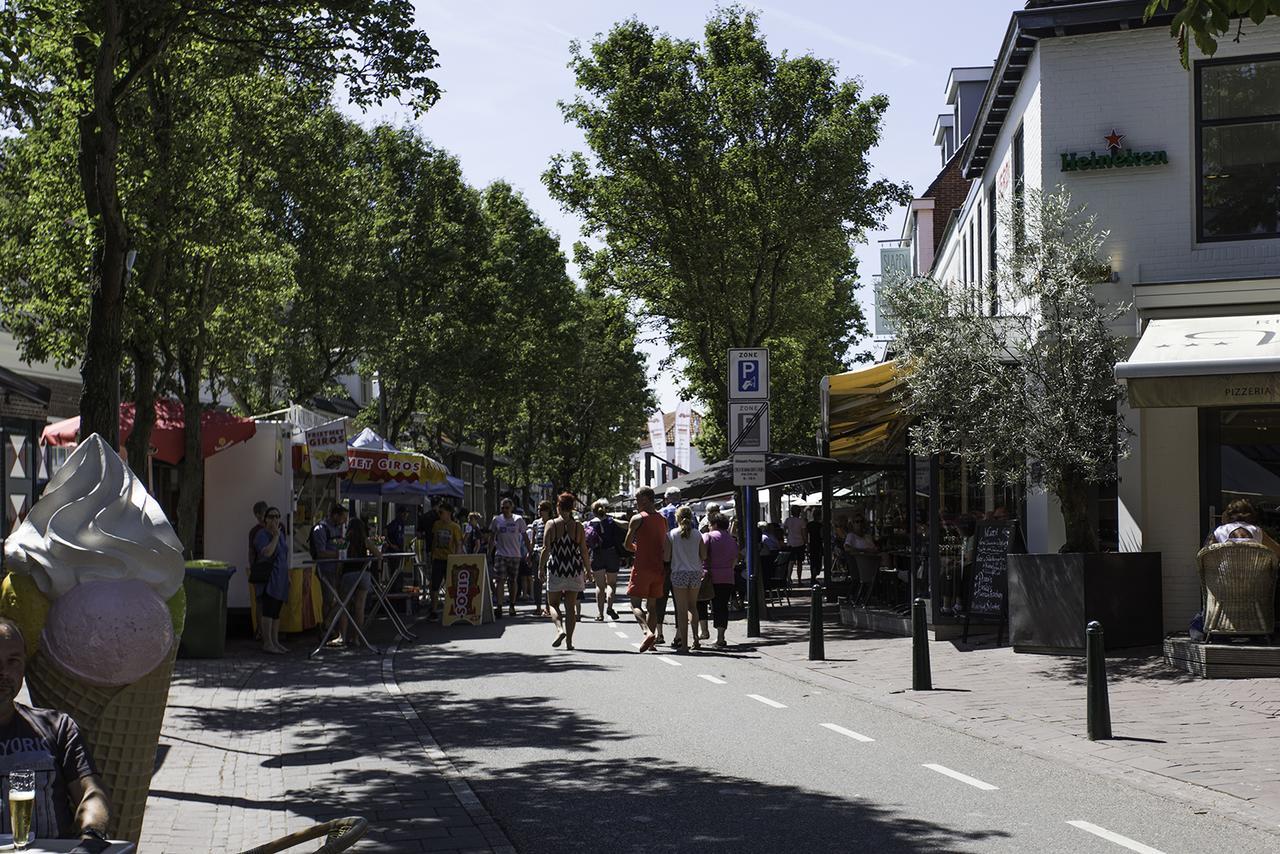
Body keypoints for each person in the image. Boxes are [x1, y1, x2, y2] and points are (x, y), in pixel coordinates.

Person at [0, 620, 112, 846]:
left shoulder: (58, 727)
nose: (2, 672)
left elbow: (91, 794)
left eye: (12, 661)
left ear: (23, 665)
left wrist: (91, 837)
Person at [538, 493, 589, 650]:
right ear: (572, 508)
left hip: (556, 569)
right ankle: (569, 642)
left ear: (558, 507)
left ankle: (559, 629)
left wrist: (540, 568)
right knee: (570, 607)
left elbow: (546, 549)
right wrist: (589, 569)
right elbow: (583, 550)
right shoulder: (578, 526)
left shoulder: (551, 524)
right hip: (574, 569)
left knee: (552, 604)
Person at [624, 486, 671, 652]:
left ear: (644, 499)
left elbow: (627, 544)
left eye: (637, 500)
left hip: (642, 567)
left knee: (634, 603)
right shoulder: (663, 519)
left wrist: (639, 548)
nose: (636, 504)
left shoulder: (638, 519)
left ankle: (647, 632)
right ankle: (652, 644)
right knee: (652, 606)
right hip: (658, 568)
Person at [668, 506, 708, 651]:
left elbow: (666, 556)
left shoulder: (672, 534)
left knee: (681, 609)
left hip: (679, 573)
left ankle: (684, 644)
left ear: (676, 518)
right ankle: (696, 639)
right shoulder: (698, 534)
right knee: (693, 606)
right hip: (695, 573)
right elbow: (704, 555)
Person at [339, 507, 380, 646]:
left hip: (348, 573)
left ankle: (343, 637)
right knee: (359, 608)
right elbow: (378, 555)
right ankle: (356, 638)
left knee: (344, 606)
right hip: (363, 574)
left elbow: (340, 561)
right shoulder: (365, 540)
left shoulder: (345, 541)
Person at [253, 505, 291, 654]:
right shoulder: (261, 535)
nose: (275, 519)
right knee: (268, 610)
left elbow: (284, 555)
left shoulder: (281, 534)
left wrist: (287, 575)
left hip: (281, 577)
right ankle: (267, 642)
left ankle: (275, 641)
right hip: (269, 578)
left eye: (277, 516)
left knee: (276, 611)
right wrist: (274, 536)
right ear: (265, 519)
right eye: (271, 517)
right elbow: (267, 553)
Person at [311, 504, 347, 642]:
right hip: (325, 570)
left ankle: (328, 627)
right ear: (335, 515)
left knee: (337, 600)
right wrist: (338, 554)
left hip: (337, 569)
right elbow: (320, 553)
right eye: (343, 518)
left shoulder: (338, 528)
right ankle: (326, 629)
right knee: (329, 600)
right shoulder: (320, 529)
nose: (344, 521)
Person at [704, 514, 740, 649]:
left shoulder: (708, 536)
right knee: (722, 606)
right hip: (727, 577)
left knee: (704, 604)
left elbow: (702, 554)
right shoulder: (732, 540)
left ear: (714, 524)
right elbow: (735, 560)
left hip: (710, 576)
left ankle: (703, 631)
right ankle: (720, 636)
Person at [489, 498, 527, 618]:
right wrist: (489, 552)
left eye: (507, 507)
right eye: (502, 508)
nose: (504, 510)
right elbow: (492, 537)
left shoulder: (518, 520)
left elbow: (525, 536)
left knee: (513, 581)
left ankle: (512, 605)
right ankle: (499, 606)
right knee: (500, 580)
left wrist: (529, 552)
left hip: (515, 555)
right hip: (501, 554)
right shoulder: (497, 520)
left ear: (511, 508)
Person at [587, 499, 623, 621]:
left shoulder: (590, 524)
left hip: (596, 554)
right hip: (612, 553)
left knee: (599, 586)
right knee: (611, 584)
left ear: (593, 512)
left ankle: (600, 614)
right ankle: (610, 607)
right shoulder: (611, 521)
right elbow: (626, 525)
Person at [427, 503, 463, 619]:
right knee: (434, 585)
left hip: (450, 559)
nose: (439, 515)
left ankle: (452, 608)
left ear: (448, 513)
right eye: (439, 512)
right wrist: (431, 555)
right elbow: (434, 540)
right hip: (438, 559)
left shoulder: (455, 527)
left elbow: (458, 544)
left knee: (451, 584)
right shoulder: (436, 524)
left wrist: (456, 558)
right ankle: (434, 610)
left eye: (441, 512)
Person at [528, 500, 553, 617]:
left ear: (547, 511)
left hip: (549, 554)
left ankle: (548, 607)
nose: (538, 512)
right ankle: (538, 607)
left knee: (549, 581)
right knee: (536, 581)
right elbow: (532, 540)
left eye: (540, 509)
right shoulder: (536, 523)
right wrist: (529, 553)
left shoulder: (552, 523)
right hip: (537, 554)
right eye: (538, 509)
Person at [784, 504, 808, 587]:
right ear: (799, 512)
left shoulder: (788, 520)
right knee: (799, 563)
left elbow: (784, 530)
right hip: (800, 543)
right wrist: (806, 542)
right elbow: (804, 534)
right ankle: (799, 580)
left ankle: (788, 578)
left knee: (790, 562)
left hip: (790, 543)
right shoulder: (802, 521)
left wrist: (788, 535)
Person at [807, 509, 825, 582]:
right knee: (818, 561)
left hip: (811, 544)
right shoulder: (820, 525)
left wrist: (807, 544)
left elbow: (807, 535)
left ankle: (813, 576)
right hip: (818, 544)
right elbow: (822, 535)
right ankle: (815, 575)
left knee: (813, 561)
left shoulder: (809, 525)